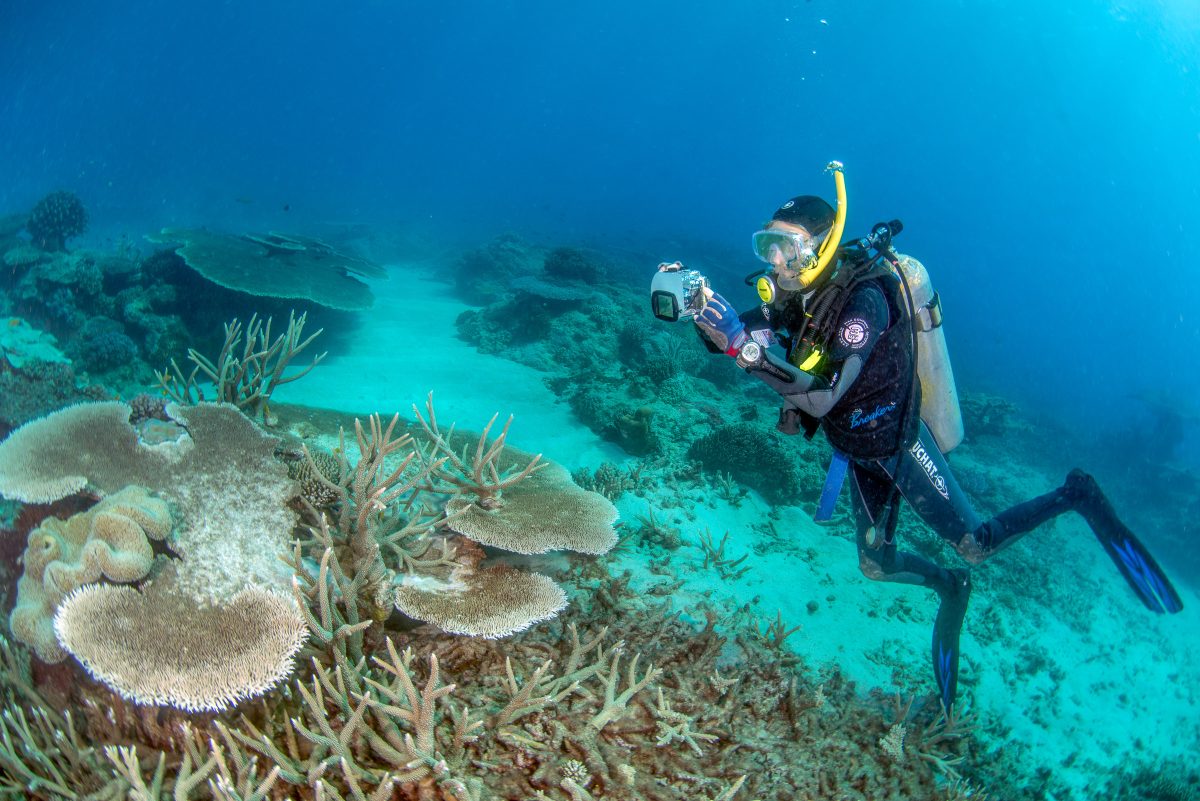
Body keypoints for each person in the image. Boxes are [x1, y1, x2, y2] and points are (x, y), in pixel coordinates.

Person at [684, 167, 1184, 710]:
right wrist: (704, 314)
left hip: (899, 445)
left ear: (823, 247)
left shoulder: (866, 300)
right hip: (856, 453)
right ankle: (950, 586)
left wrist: (741, 350)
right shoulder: (800, 299)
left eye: (788, 247)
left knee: (975, 545)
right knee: (875, 565)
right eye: (769, 245)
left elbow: (823, 396)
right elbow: (740, 331)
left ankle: (1076, 493)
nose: (776, 262)